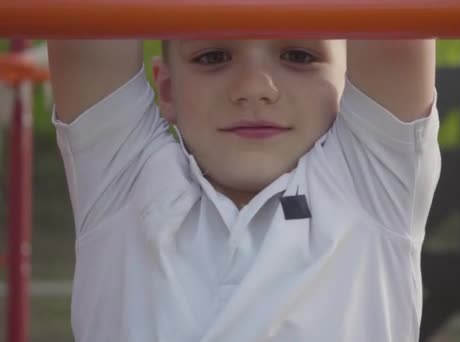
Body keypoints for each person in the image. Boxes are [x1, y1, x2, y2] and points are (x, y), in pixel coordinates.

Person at [47, 38, 440, 341]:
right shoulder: (127, 180)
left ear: (348, 83)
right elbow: (86, 35)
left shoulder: (369, 184)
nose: (255, 88)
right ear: (167, 90)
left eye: (299, 56)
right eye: (213, 57)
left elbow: (397, 42)